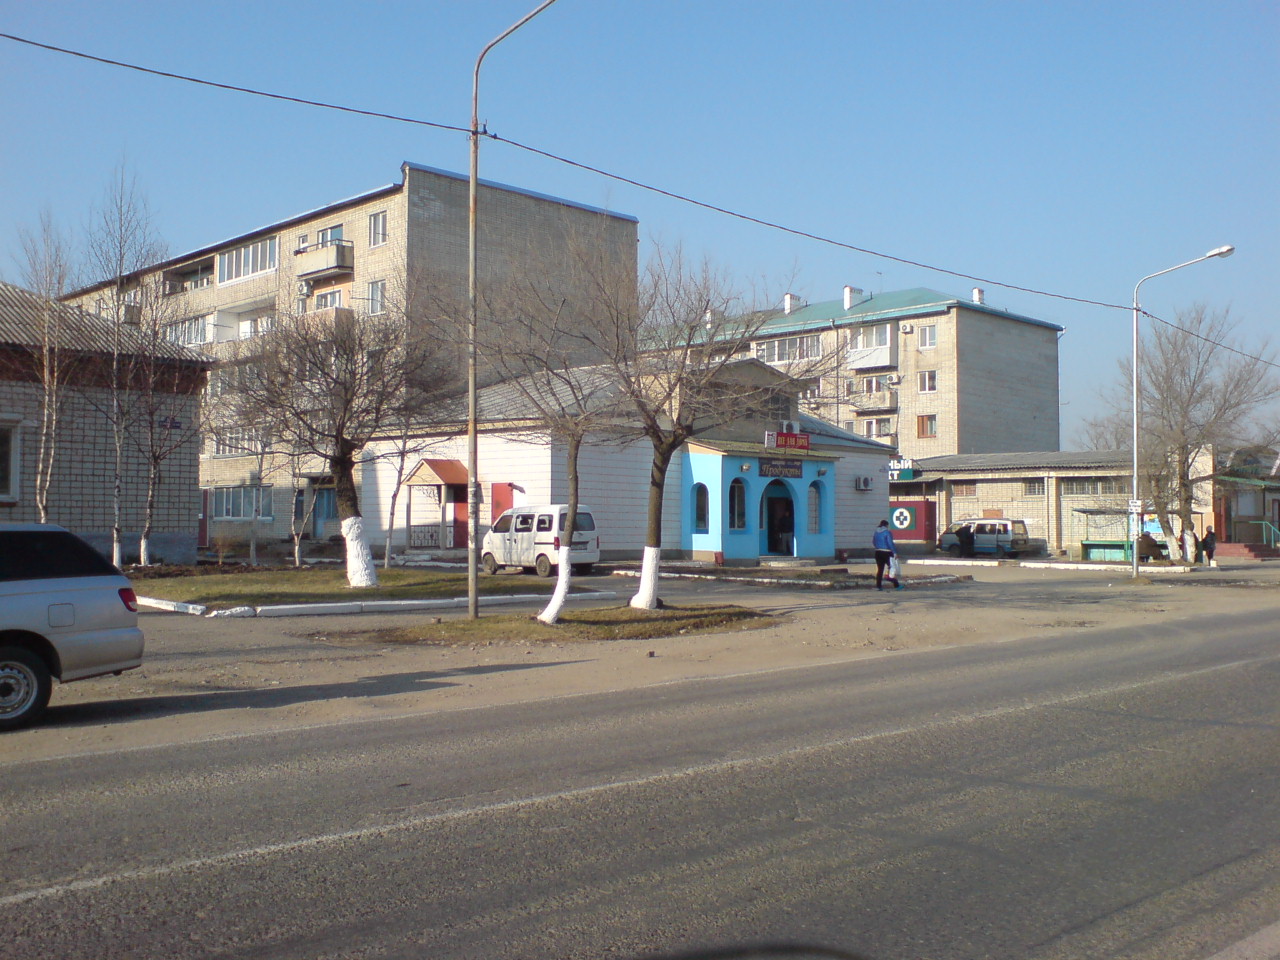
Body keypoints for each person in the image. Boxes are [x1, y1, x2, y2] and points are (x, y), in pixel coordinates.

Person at [873, 519, 904, 590]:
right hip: (887, 552)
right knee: (892, 567)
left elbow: (874, 542)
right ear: (886, 525)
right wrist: (894, 552)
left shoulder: (876, 532)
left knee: (880, 570)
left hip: (877, 552)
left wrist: (878, 547)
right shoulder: (887, 532)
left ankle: (879, 586)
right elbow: (890, 543)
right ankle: (896, 584)